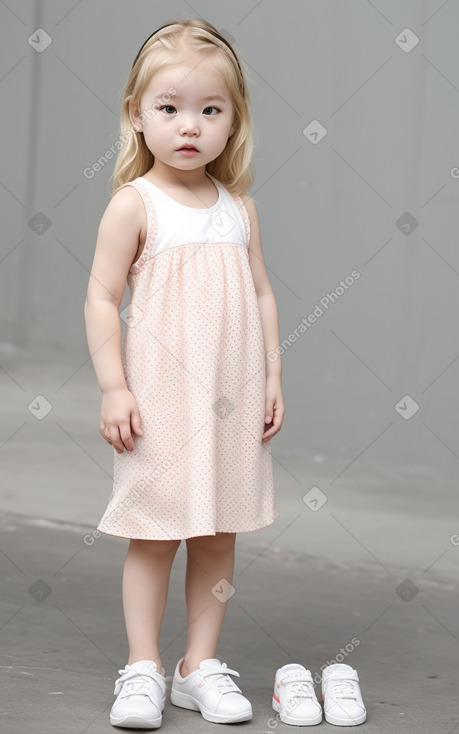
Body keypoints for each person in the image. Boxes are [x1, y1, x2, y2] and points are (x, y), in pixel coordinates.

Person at [84, 16, 285, 729]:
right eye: (168, 108)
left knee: (217, 532)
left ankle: (198, 664)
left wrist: (270, 378)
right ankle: (142, 665)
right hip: (161, 404)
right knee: (155, 532)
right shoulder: (135, 205)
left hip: (230, 403)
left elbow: (260, 295)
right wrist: (114, 385)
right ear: (137, 116)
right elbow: (102, 298)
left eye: (209, 109)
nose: (189, 125)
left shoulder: (240, 211)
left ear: (234, 122)